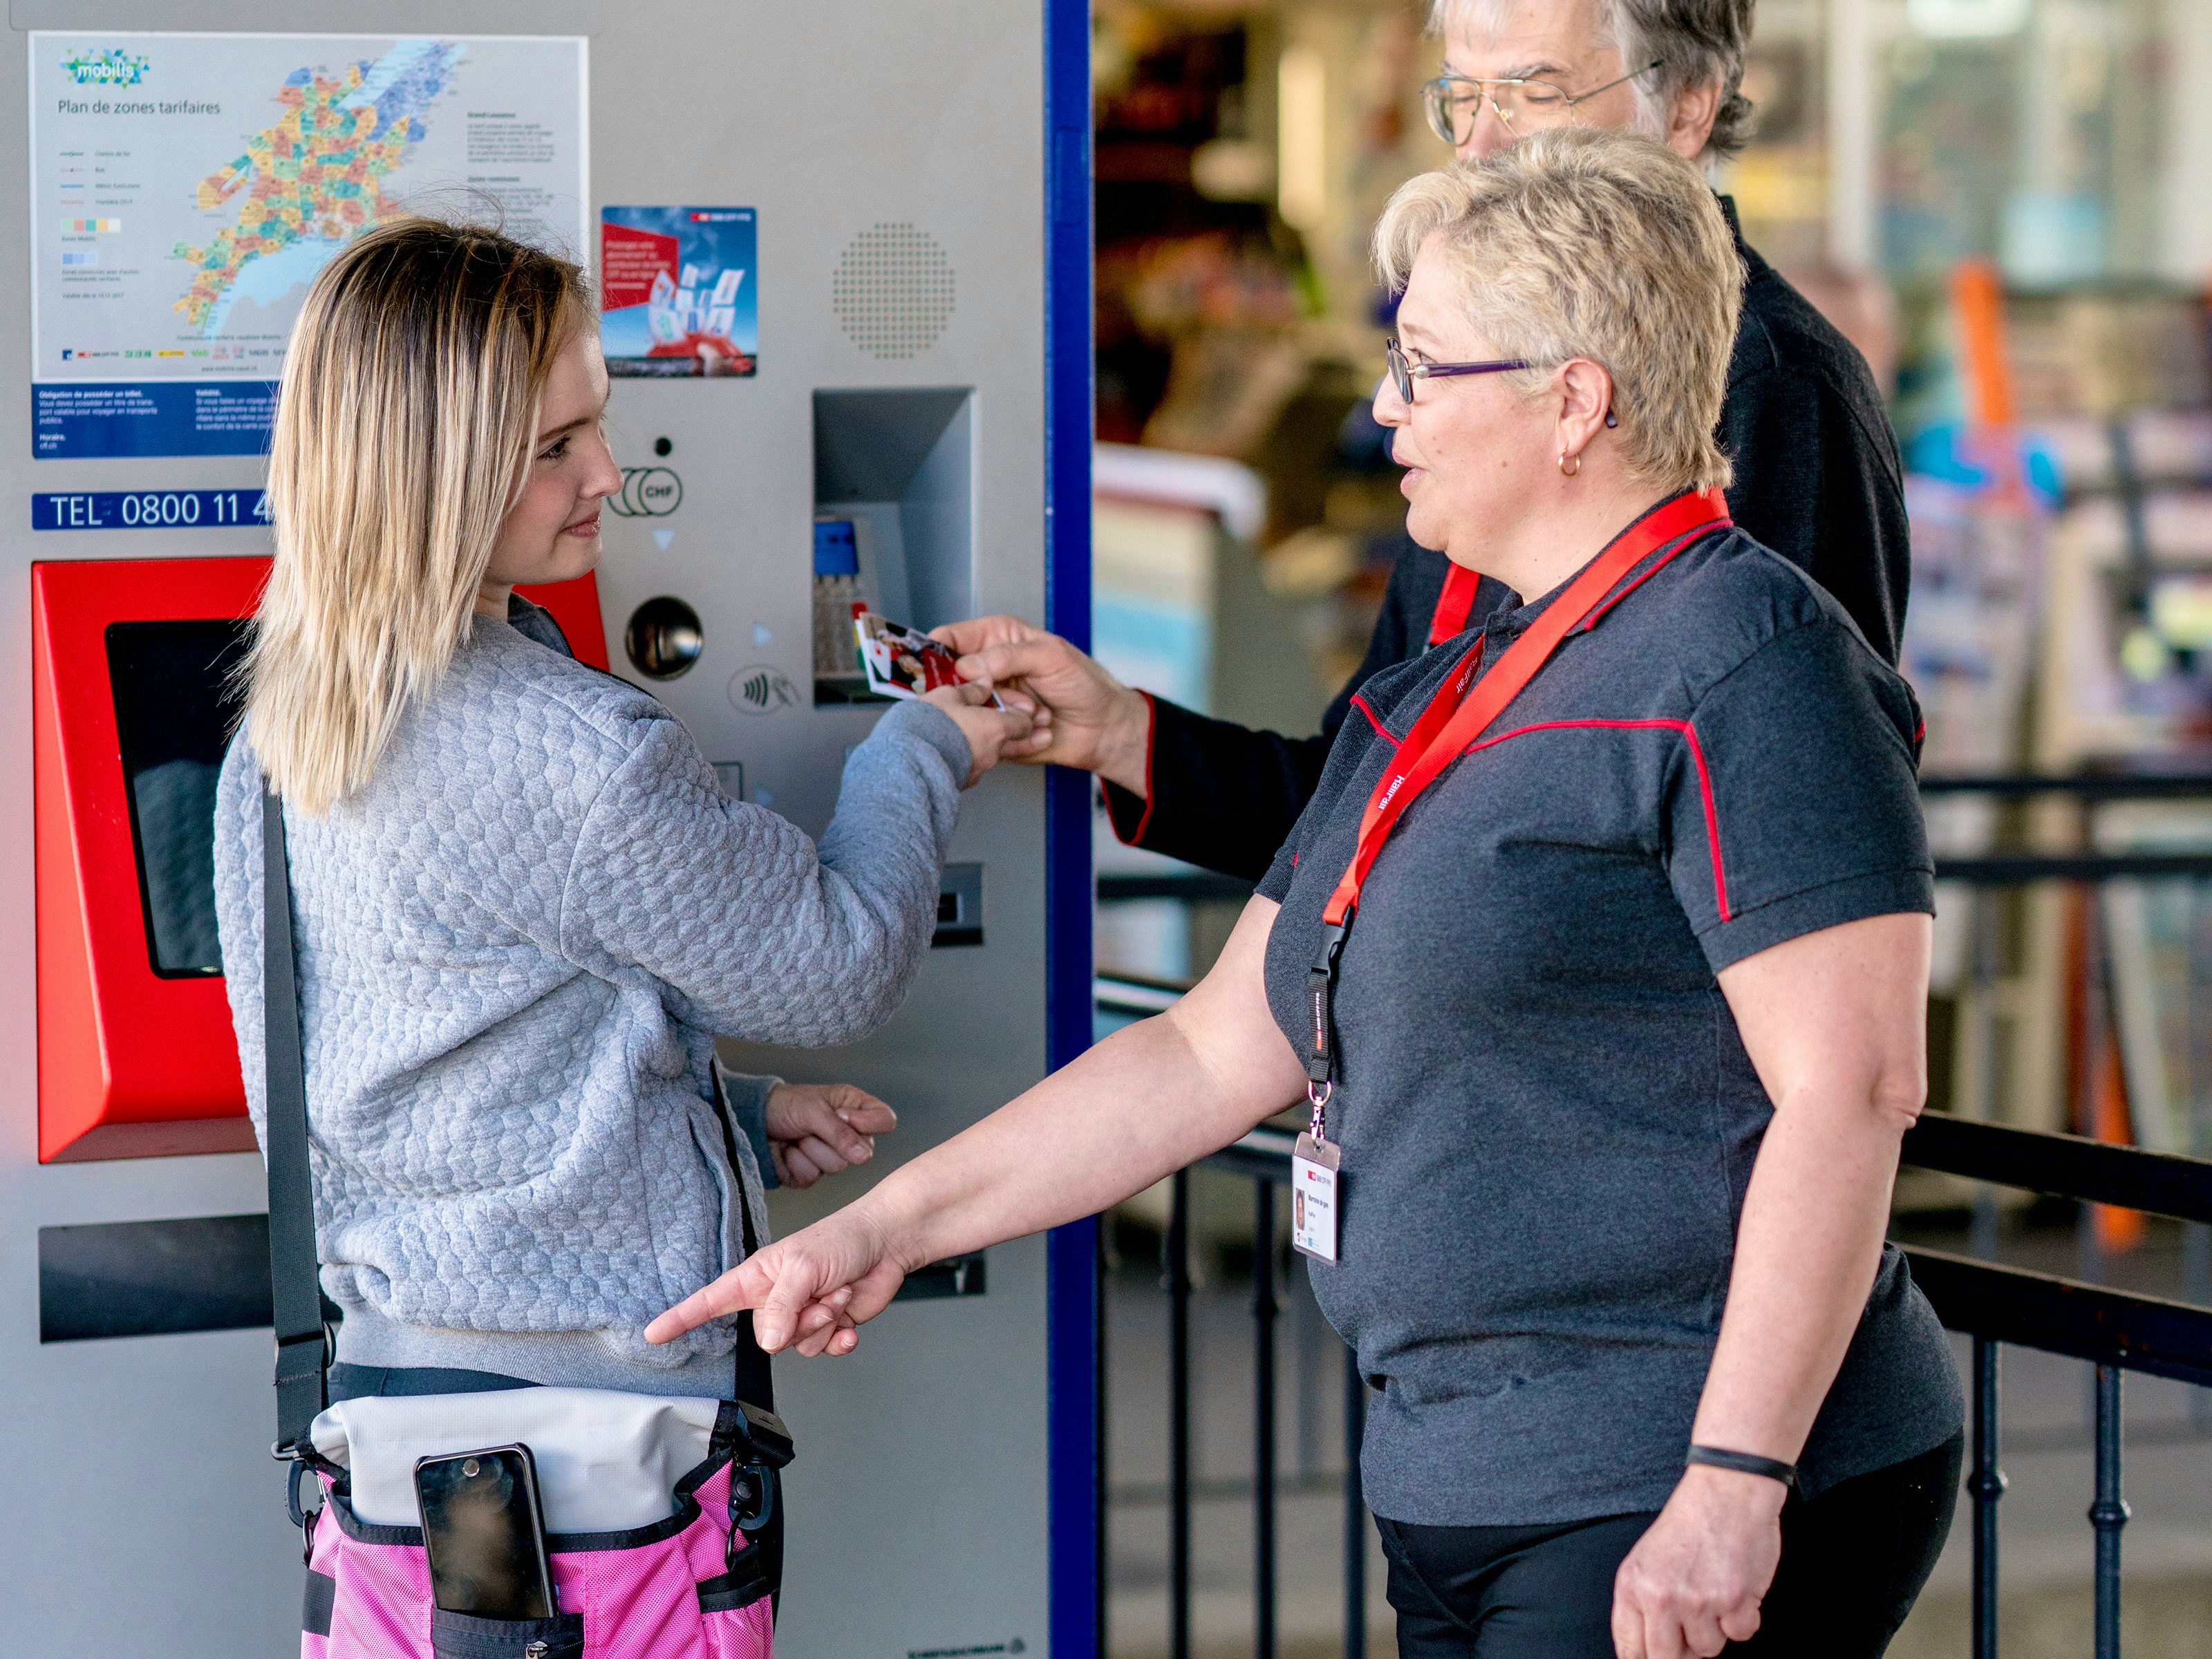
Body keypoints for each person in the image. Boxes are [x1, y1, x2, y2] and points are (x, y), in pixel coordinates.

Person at [653, 131, 1962, 1659]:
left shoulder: (1752, 662)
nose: (1378, 410)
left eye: (1422, 368)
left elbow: (1853, 1091)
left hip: (1660, 1478)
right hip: (1468, 1475)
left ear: (1572, 402)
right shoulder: (1452, 680)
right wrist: (883, 1230)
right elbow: (1213, 1049)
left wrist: (1735, 1485)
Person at [212, 216, 1038, 1407]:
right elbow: (839, 962)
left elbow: (415, 1084)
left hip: (400, 1402)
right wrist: (925, 741)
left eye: (596, 419)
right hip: (604, 1440)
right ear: (433, 474)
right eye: (556, 446)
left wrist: (719, 1123)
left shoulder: (282, 731)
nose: (608, 473)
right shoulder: (573, 758)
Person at [941, 0, 1911, 884]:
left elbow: (1792, 844)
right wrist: (1119, 732)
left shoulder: (1773, 385)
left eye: (1535, 93)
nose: (1481, 147)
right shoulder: (1484, 367)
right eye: (1459, 98)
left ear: (1690, 110)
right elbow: (1365, 790)